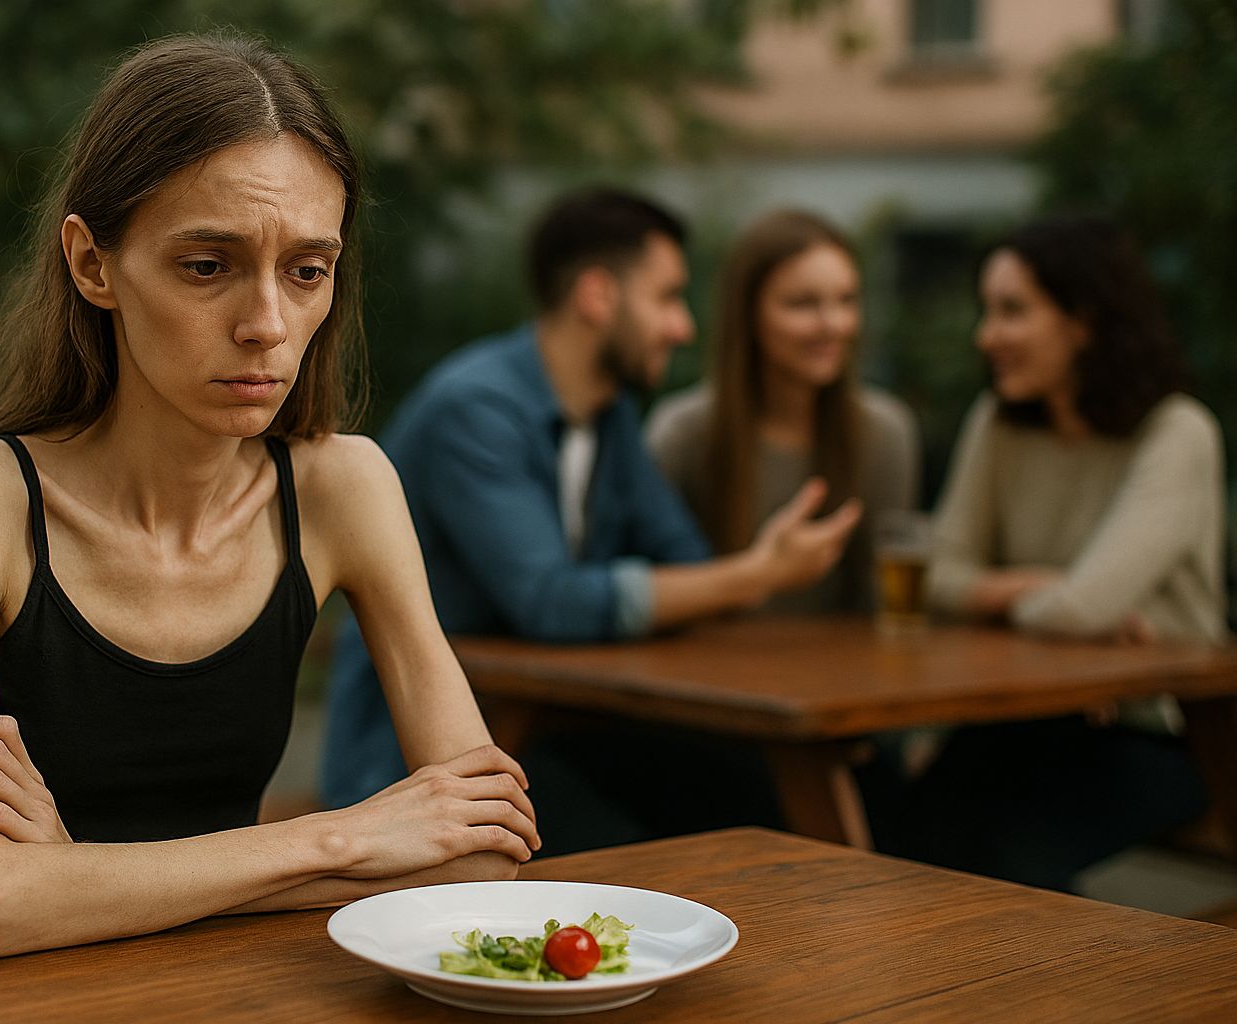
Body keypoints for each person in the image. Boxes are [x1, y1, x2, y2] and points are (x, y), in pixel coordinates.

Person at [0, 34, 540, 964]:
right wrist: (342, 838)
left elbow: (483, 853)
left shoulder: (341, 487)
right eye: (208, 265)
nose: (267, 325)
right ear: (93, 264)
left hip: (227, 988)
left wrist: (70, 878)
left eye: (307, 270)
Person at [320, 188, 862, 837]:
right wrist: (759, 573)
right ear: (598, 296)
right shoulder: (476, 412)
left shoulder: (608, 419)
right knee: (678, 835)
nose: (682, 326)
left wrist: (730, 576)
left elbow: (681, 557)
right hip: (419, 771)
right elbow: (549, 602)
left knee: (759, 798)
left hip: (549, 733)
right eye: (666, 298)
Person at [894, 213, 1225, 891]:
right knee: (898, 836)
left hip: (1161, 730)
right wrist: (1034, 589)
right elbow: (936, 579)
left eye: (1012, 311)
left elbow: (1080, 609)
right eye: (987, 311)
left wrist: (1060, 603)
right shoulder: (1001, 421)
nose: (987, 336)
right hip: (1026, 715)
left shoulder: (1177, 431)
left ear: (1084, 320)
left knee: (1003, 864)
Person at [646, 209, 919, 613]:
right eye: (803, 304)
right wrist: (763, 571)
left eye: (846, 300)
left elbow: (882, 602)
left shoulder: (883, 432)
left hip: (843, 671)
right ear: (748, 315)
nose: (833, 324)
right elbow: (653, 585)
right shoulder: (683, 434)